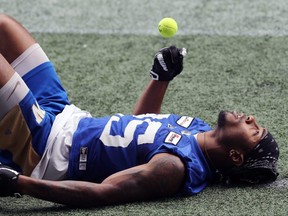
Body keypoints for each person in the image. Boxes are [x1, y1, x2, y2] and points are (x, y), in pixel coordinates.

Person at [0, 14, 279, 207]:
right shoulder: (198, 128)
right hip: (64, 113)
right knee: (5, 26)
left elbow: (103, 192)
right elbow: (141, 125)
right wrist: (161, 79)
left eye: (255, 131)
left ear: (235, 155)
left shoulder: (173, 168)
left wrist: (19, 183)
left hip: (46, 145)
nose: (251, 119)